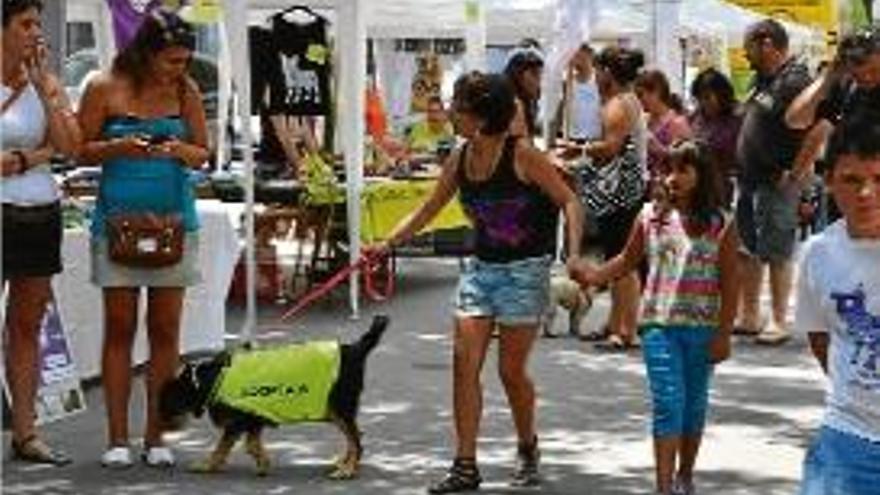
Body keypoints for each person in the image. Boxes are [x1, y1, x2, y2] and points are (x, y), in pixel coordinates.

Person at [366, 72, 583, 493]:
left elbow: (569, 201)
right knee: (464, 363)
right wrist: (386, 243)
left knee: (510, 372)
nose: (450, 111)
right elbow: (429, 209)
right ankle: (465, 464)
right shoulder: (460, 157)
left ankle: (527, 446)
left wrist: (571, 254)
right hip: (481, 270)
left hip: (525, 271)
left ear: (480, 116)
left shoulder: (522, 155)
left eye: (458, 105)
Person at [77, 8, 210, 468]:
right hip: (117, 223)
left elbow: (203, 153)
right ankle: (117, 437)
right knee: (119, 326)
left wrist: (178, 151)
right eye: (172, 60)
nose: (181, 69)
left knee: (165, 329)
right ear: (146, 52)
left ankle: (157, 435)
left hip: (174, 223)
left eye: (185, 60)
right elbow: (80, 146)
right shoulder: (102, 85)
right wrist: (120, 146)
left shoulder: (185, 89)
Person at [571, 141, 739, 495]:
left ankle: (685, 476)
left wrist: (724, 334)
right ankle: (663, 487)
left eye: (683, 169)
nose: (673, 177)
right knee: (668, 404)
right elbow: (626, 260)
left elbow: (731, 282)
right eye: (667, 169)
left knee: (693, 407)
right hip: (658, 327)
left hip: (703, 330)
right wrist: (593, 275)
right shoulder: (650, 216)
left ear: (702, 175)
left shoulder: (721, 223)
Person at [1, 0, 81, 466]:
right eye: (25, 24)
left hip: (38, 209)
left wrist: (46, 89)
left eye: (37, 24)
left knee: (27, 324)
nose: (35, 32)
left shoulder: (42, 83)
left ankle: (26, 432)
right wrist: (27, 156)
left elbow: (69, 147)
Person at [795, 111, 880, 495]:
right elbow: (820, 339)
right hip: (849, 438)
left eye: (879, 180)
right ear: (828, 181)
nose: (866, 194)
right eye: (852, 180)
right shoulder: (818, 254)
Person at [559, 45, 648, 349]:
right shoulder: (624, 100)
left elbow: (610, 147)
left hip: (621, 193)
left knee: (623, 261)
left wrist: (578, 150)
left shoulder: (618, 105)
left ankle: (626, 329)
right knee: (617, 257)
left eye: (597, 71)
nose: (594, 77)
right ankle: (616, 322)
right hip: (623, 191)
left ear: (607, 72)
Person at [734, 19, 812, 345]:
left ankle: (779, 320)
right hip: (751, 179)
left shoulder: (795, 80)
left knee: (777, 252)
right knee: (747, 250)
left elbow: (813, 129)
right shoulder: (763, 80)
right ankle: (750, 315)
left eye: (749, 45)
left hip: (776, 181)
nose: (745, 53)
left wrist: (795, 175)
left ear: (767, 43)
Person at [688, 68, 742, 208]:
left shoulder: (738, 118)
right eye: (699, 98)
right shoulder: (695, 117)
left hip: (729, 189)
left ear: (722, 95)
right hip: (699, 190)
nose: (703, 103)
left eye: (707, 97)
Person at [635, 69, 692, 197]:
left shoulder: (676, 123)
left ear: (657, 91)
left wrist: (659, 149)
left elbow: (688, 161)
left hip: (668, 194)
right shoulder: (643, 121)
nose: (639, 100)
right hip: (645, 191)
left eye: (641, 95)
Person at [550, 42, 602, 145]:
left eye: (578, 54)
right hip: (572, 139)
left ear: (589, 55)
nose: (574, 57)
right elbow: (559, 110)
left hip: (595, 139)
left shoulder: (600, 79)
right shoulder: (567, 81)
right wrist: (553, 138)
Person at [504, 46, 544, 141]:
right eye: (534, 73)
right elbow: (520, 147)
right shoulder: (514, 105)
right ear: (517, 75)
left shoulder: (527, 102)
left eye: (540, 74)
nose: (539, 80)